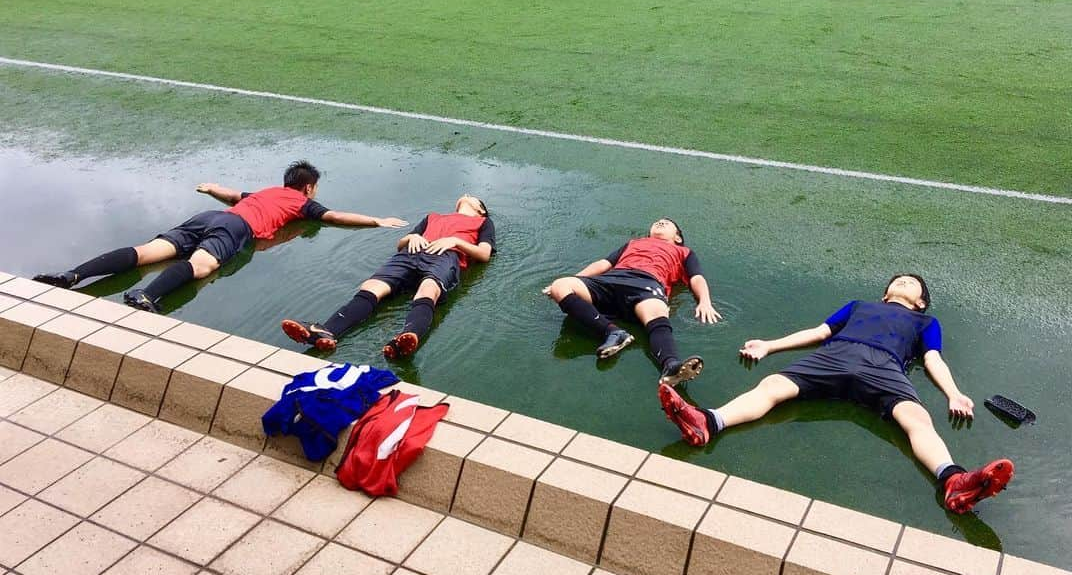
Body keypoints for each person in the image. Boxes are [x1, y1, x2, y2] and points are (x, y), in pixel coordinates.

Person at [658, 273, 1014, 514]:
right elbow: (820, 331)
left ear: (921, 303)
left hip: (885, 367)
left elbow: (932, 358)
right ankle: (708, 421)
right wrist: (770, 346)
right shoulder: (860, 305)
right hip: (835, 355)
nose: (904, 280)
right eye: (898, 279)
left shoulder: (925, 323)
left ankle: (953, 480)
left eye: (913, 283)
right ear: (885, 293)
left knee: (917, 420)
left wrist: (953, 393)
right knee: (772, 387)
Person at [33, 161, 407, 313]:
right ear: (308, 188)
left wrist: (212, 187)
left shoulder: (265, 192)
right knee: (201, 265)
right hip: (235, 228)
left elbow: (233, 196)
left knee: (148, 251)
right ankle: (146, 295)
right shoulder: (299, 202)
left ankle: (73, 275)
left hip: (213, 216)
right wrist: (376, 221)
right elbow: (335, 217)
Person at [282, 193, 494, 357]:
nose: (465, 195)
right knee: (371, 286)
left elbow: (484, 253)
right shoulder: (433, 217)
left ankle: (406, 337)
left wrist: (455, 242)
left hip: (446, 255)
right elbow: (401, 242)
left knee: (428, 288)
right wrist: (410, 238)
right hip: (410, 252)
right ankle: (326, 331)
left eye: (471, 196)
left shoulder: (483, 223)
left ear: (480, 209)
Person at [544, 218, 720, 386]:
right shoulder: (633, 243)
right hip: (610, 280)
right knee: (561, 285)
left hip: (647, 283)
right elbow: (603, 263)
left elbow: (696, 277)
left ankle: (671, 366)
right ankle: (613, 333)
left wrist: (704, 301)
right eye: (658, 221)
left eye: (667, 223)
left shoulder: (684, 252)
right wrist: (574, 279)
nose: (661, 222)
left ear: (678, 237)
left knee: (657, 311)